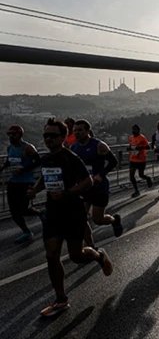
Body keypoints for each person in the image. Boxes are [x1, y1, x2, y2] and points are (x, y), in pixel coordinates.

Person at [31, 118, 113, 317]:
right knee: (51, 255)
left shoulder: (71, 157)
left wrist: (68, 193)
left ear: (62, 137)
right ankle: (61, 299)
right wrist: (34, 190)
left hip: (73, 211)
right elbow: (45, 177)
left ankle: (98, 255)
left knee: (76, 256)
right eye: (46, 135)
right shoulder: (47, 159)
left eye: (53, 135)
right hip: (53, 212)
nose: (48, 139)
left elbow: (88, 182)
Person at [71, 120, 123, 249]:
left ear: (88, 131)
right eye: (75, 130)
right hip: (84, 187)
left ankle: (114, 220)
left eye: (80, 130)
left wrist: (101, 174)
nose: (77, 133)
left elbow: (113, 161)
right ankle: (90, 245)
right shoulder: (74, 147)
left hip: (99, 187)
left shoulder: (99, 145)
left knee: (98, 219)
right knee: (81, 218)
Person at [1, 125, 41, 243]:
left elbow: (38, 161)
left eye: (13, 134)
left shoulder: (28, 148)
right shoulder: (10, 148)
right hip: (13, 182)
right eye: (9, 134)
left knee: (23, 209)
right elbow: (9, 161)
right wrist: (2, 167)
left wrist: (23, 169)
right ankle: (26, 232)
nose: (11, 136)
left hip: (26, 182)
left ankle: (41, 212)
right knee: (13, 210)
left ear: (20, 134)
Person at [128, 125, 152, 197]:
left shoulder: (142, 138)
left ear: (138, 130)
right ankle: (136, 191)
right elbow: (131, 145)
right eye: (133, 129)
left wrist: (140, 147)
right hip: (133, 158)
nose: (133, 131)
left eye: (135, 129)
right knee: (131, 175)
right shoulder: (131, 137)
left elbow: (148, 147)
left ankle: (148, 178)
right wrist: (129, 148)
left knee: (141, 175)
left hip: (141, 159)